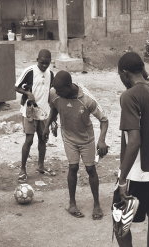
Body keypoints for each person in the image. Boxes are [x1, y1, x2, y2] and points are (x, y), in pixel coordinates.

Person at [114, 52, 149, 247]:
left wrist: (122, 180)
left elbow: (134, 141)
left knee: (120, 219)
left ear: (125, 73)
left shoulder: (129, 96)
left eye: (120, 75)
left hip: (137, 172)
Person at [44, 71, 108, 220]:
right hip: (68, 137)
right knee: (73, 167)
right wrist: (48, 126)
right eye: (56, 90)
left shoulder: (87, 99)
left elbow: (104, 120)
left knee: (90, 169)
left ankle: (97, 204)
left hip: (86, 139)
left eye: (60, 90)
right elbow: (54, 108)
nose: (57, 93)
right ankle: (72, 203)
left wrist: (102, 140)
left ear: (69, 86)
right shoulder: (54, 93)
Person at [15, 49, 55, 183]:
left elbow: (51, 94)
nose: (44, 66)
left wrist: (53, 117)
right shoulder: (30, 71)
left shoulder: (50, 74)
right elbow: (16, 87)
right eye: (42, 63)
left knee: (43, 139)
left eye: (47, 63)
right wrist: (27, 94)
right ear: (37, 60)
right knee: (29, 139)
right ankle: (22, 169)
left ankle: (41, 165)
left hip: (44, 111)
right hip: (30, 110)